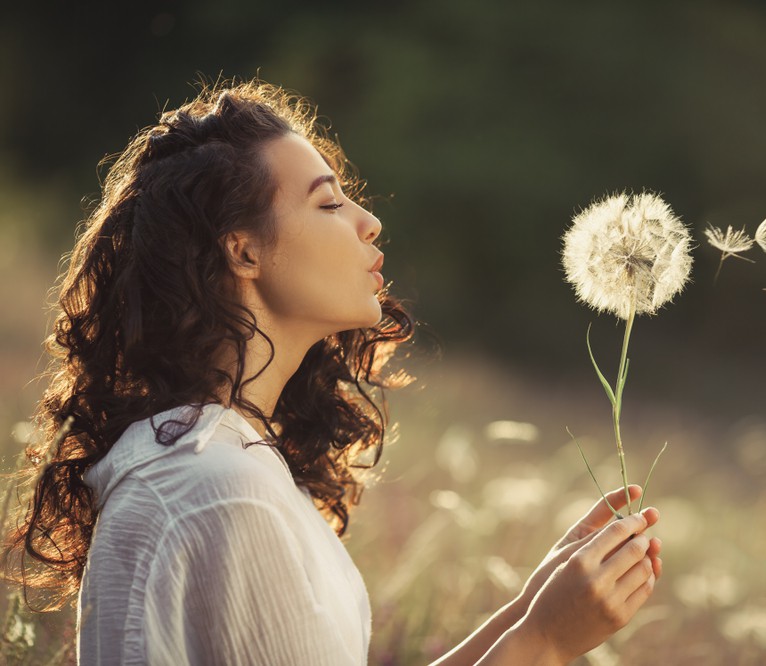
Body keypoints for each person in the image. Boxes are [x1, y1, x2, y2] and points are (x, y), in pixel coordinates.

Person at [3, 79, 662, 665]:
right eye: (328, 205)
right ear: (243, 249)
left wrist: (526, 612)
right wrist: (544, 645)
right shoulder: (222, 491)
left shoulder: (212, 457)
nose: (369, 222)